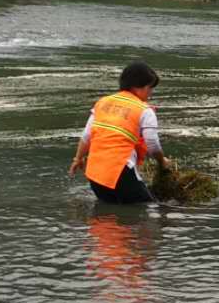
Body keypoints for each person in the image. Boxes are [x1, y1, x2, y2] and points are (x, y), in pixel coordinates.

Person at [69, 61, 174, 204]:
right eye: (150, 87)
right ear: (139, 86)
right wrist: (162, 162)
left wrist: (78, 159)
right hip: (120, 171)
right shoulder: (144, 110)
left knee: (107, 219)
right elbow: (152, 143)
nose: (151, 92)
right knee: (148, 208)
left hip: (95, 174)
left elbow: (87, 135)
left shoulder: (103, 102)